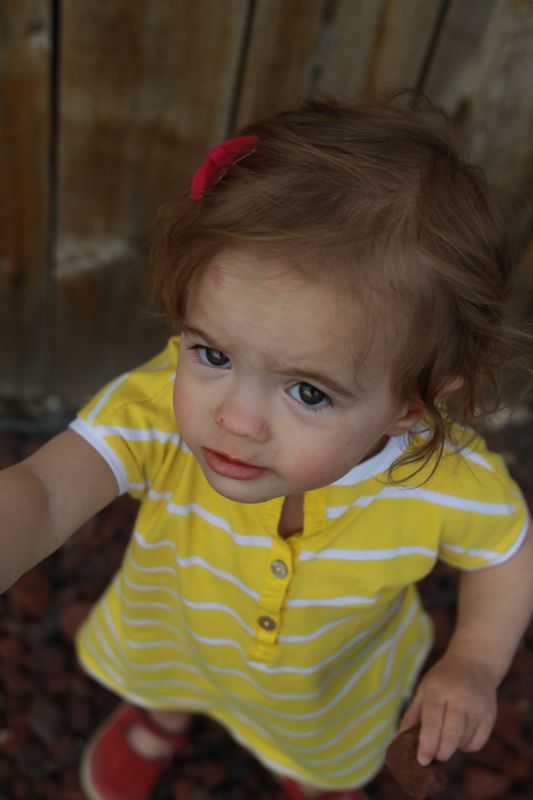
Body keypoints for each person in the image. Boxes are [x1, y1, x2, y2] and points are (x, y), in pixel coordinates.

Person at [1, 95, 532, 800]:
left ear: (410, 404)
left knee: (319, 749)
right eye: (212, 353)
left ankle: (304, 770)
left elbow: (504, 554)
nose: (235, 419)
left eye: (308, 392)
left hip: (326, 686)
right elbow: (44, 490)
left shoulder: (445, 478)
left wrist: (471, 662)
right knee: (168, 678)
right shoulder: (158, 408)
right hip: (178, 633)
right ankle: (161, 718)